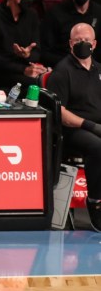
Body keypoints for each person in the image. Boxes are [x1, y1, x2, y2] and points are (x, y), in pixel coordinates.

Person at [47, 23, 101, 232]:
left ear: (94, 44)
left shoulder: (99, 69)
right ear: (70, 44)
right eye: (78, 40)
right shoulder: (62, 71)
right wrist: (90, 125)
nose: (82, 43)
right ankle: (95, 202)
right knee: (98, 146)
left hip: (96, 126)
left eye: (86, 40)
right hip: (73, 130)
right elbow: (59, 112)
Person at [0, 0, 48, 91]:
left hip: (25, 71)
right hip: (0, 74)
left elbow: (37, 52)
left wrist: (27, 55)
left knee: (51, 80)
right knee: (37, 85)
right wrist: (23, 70)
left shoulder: (32, 15)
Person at [41, 0, 101, 68]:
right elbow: (45, 52)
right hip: (63, 67)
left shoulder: (99, 12)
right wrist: (71, 64)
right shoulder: (55, 13)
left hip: (94, 68)